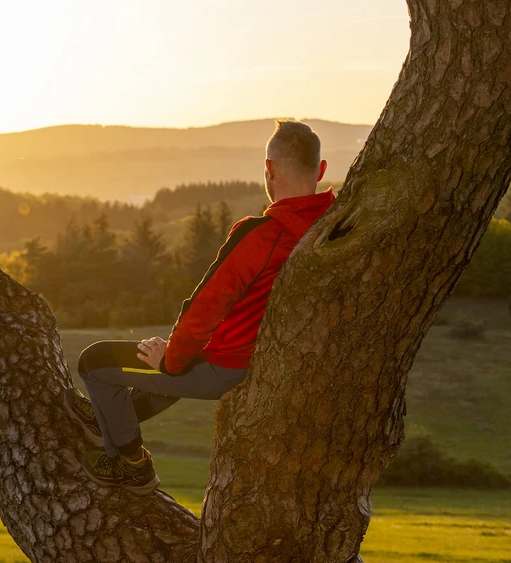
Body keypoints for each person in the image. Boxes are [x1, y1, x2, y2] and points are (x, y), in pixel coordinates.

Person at [60, 120, 336, 495]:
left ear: (269, 170)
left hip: (223, 365)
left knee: (94, 363)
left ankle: (131, 465)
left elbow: (203, 308)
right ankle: (107, 421)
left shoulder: (260, 235)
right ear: (320, 170)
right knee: (172, 360)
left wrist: (169, 361)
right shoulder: (331, 225)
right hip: (258, 361)